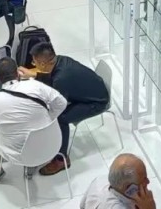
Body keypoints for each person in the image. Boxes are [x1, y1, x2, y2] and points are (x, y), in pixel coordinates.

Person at [20, 42, 110, 176]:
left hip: (97, 102)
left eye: (34, 63)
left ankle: (61, 159)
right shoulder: (61, 60)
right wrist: (34, 76)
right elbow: (53, 79)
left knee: (61, 119)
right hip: (93, 89)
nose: (34, 65)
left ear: (43, 64)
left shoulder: (61, 78)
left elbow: (57, 106)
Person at [0, 57, 68, 180]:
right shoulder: (35, 85)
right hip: (53, 146)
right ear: (18, 73)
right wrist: (49, 117)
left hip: (21, 156)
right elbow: (61, 103)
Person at [80, 154, 156, 209]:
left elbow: (82, 205)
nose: (148, 181)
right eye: (143, 179)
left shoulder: (99, 180)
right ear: (129, 189)